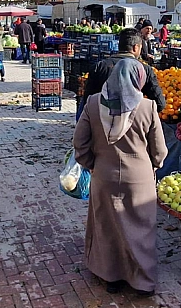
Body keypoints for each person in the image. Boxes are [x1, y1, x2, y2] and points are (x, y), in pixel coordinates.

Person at [72, 57, 168, 296]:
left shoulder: (94, 103)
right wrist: (155, 166)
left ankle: (111, 277)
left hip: (104, 176)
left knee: (107, 226)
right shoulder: (147, 107)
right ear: (138, 80)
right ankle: (142, 282)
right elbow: (159, 150)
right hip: (140, 180)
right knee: (140, 230)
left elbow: (79, 143)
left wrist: (92, 165)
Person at [84, 28, 166, 113]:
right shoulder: (145, 70)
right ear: (136, 48)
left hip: (103, 121)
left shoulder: (99, 67)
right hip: (132, 122)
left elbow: (87, 101)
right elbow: (160, 104)